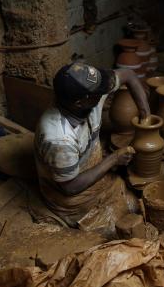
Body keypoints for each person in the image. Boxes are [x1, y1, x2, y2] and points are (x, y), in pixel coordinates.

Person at [33, 60, 150, 230]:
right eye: (99, 92)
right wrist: (113, 159)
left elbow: (129, 74)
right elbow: (69, 187)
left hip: (92, 170)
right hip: (70, 197)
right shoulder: (59, 138)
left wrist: (145, 115)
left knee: (133, 205)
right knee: (116, 228)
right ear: (81, 102)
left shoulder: (91, 93)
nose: (104, 93)